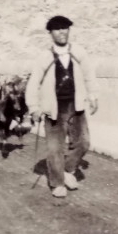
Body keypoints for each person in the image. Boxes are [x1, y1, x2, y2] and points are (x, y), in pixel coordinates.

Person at [25, 15, 98, 198]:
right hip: (53, 109)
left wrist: (93, 96)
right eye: (57, 29)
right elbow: (33, 83)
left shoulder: (78, 52)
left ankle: (68, 169)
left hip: (76, 106)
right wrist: (34, 107)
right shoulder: (44, 57)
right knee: (54, 148)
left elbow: (89, 75)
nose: (62, 32)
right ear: (50, 33)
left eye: (65, 28)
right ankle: (57, 183)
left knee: (83, 142)